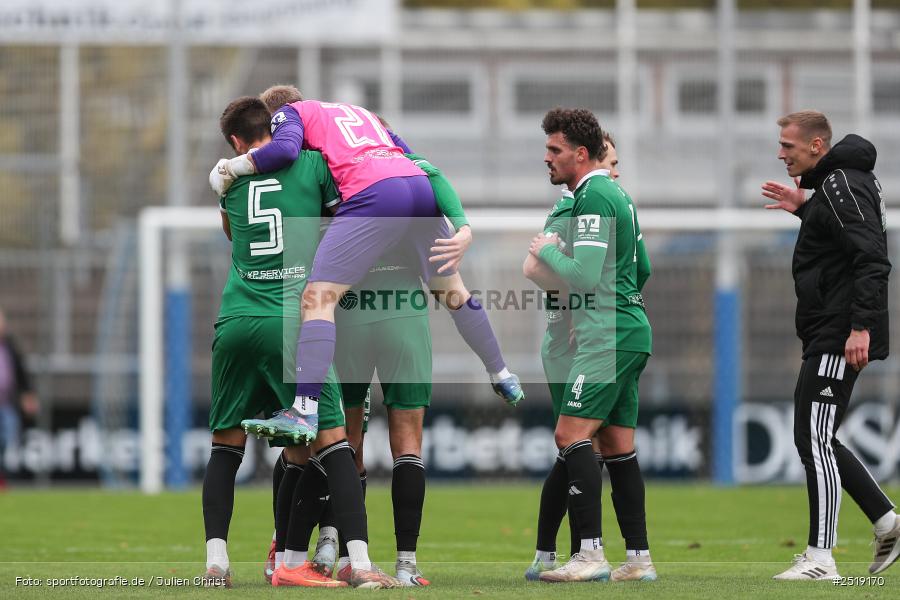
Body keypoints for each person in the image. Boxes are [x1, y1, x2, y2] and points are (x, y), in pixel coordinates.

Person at [209, 88, 522, 444]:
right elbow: (424, 166)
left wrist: (231, 167)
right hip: (416, 189)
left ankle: (304, 409)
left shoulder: (290, 115)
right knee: (454, 294)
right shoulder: (363, 115)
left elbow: (285, 149)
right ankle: (501, 372)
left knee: (317, 298)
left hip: (375, 194)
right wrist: (463, 226)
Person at [205, 96, 399, 589]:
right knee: (333, 441)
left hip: (235, 319)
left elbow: (234, 235)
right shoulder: (313, 164)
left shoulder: (228, 181)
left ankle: (216, 565)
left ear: (234, 141)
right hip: (293, 320)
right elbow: (341, 223)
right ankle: (360, 562)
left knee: (226, 447)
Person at [761, 110, 900, 580]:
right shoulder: (835, 185)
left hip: (840, 331)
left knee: (815, 437)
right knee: (814, 435)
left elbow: (871, 259)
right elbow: (841, 240)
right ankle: (888, 523)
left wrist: (859, 327)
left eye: (788, 146)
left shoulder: (841, 184)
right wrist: (805, 206)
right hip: (830, 327)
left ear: (817, 146)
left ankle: (821, 558)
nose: (781, 154)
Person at [522, 133, 655, 582]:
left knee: (571, 439)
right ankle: (636, 559)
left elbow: (549, 268)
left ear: (582, 156)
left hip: (594, 338)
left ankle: (585, 553)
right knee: (613, 447)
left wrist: (552, 259)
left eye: (616, 162)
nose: (615, 171)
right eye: (611, 161)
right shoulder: (601, 199)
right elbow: (643, 269)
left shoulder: (591, 199)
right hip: (617, 331)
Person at [0, 306, 39, 490]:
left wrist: (28, 395)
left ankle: (2, 477)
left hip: (7, 404)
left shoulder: (10, 346)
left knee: (7, 441)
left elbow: (21, 372)